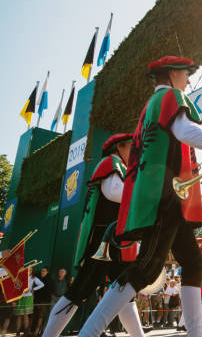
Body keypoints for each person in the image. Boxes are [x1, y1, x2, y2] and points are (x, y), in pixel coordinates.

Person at [78, 56, 202, 337]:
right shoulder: (170, 96)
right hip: (164, 198)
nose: (189, 79)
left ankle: (195, 334)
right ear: (172, 74)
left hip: (167, 198)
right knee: (145, 268)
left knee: (194, 265)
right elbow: (186, 131)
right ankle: (88, 333)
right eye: (185, 74)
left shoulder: (151, 106)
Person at [42, 134, 146, 337]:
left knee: (125, 294)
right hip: (104, 239)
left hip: (116, 241)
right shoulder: (110, 162)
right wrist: (144, 192)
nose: (134, 151)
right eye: (131, 147)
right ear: (119, 147)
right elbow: (113, 192)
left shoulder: (121, 167)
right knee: (78, 292)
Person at [14, 270, 44, 337]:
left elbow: (42, 284)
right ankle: (17, 332)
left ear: (31, 271)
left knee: (25, 315)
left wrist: (33, 289)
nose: (28, 271)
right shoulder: (20, 277)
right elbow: (15, 285)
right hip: (20, 297)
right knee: (19, 315)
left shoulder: (33, 278)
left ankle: (25, 332)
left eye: (30, 270)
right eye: (27, 269)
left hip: (28, 297)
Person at [33, 267, 54, 336]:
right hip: (36, 301)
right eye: (42, 271)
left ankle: (40, 330)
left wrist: (43, 301)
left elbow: (48, 293)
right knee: (36, 315)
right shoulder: (38, 278)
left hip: (44, 301)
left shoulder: (49, 280)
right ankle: (35, 330)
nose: (43, 272)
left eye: (44, 271)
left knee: (41, 316)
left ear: (47, 272)